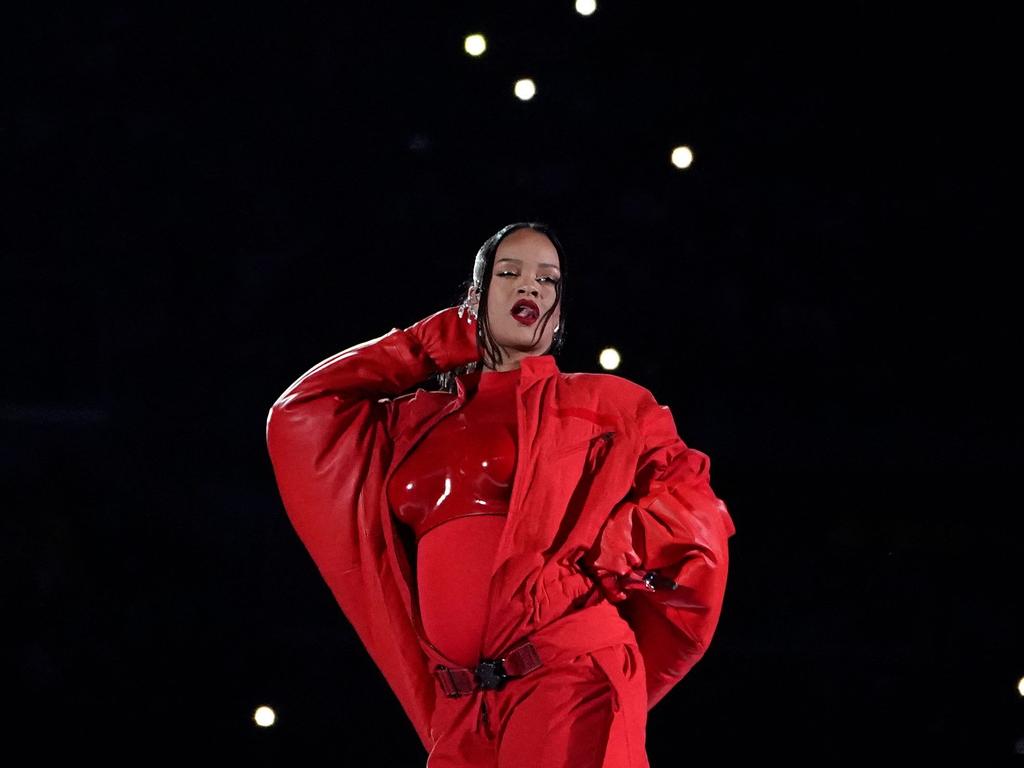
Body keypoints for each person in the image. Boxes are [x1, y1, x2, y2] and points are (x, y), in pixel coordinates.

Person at [265, 222, 736, 767]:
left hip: (567, 677)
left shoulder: (608, 404)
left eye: (548, 279)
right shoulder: (410, 424)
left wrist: (611, 551)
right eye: (508, 273)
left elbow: (695, 511)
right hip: (463, 705)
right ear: (474, 296)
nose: (529, 287)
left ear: (558, 310)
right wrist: (433, 343)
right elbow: (305, 410)